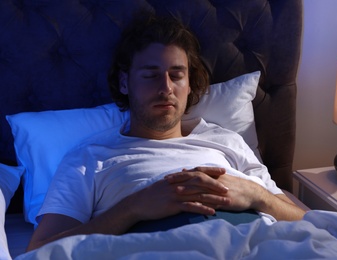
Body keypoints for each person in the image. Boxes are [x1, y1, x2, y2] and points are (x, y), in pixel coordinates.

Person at [27, 15, 305, 251]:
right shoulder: (89, 158)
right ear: (124, 82)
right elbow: (41, 251)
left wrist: (258, 196)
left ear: (188, 82)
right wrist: (132, 208)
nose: (166, 88)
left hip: (257, 247)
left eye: (176, 74)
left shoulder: (228, 142)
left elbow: (304, 220)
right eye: (150, 75)